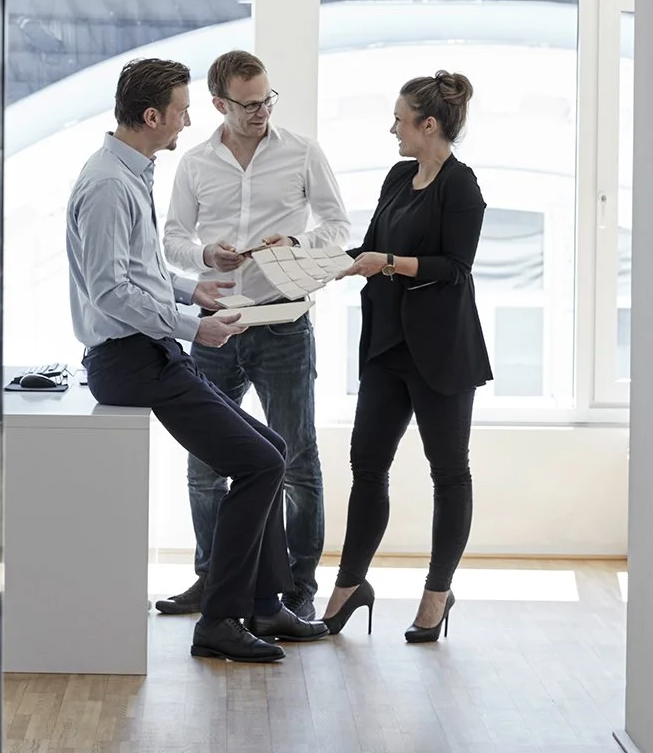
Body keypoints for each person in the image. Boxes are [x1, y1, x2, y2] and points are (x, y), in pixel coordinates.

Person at [67, 57, 334, 662]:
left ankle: (266, 605)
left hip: (150, 351)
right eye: (183, 111)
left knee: (270, 449)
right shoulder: (110, 183)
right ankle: (220, 619)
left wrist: (192, 291)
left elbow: (141, 270)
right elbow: (110, 292)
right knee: (263, 464)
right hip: (132, 360)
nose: (189, 122)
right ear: (153, 115)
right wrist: (194, 325)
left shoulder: (129, 171)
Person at [154, 50, 350, 620]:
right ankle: (213, 580)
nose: (261, 110)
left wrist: (299, 245)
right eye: (248, 103)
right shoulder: (193, 163)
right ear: (219, 103)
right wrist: (205, 254)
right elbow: (171, 239)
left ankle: (296, 590)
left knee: (297, 460)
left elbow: (339, 227)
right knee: (204, 465)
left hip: (284, 323)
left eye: (267, 99)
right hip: (214, 324)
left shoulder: (302, 152)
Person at [320, 71, 494, 643]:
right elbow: (370, 248)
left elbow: (455, 268)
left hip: (442, 353)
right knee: (367, 465)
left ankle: (437, 594)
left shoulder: (461, 186)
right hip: (387, 347)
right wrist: (305, 256)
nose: (392, 128)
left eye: (399, 118)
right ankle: (349, 586)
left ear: (429, 125)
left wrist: (390, 264)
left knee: (449, 471)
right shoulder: (398, 176)